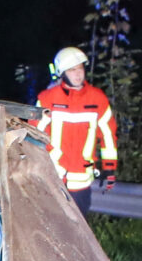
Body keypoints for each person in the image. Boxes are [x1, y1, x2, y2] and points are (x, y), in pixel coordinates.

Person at [34, 46, 119, 213]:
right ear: (62, 72)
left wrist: (109, 166)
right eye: (72, 70)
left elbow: (108, 136)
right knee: (54, 230)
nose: (78, 74)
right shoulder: (47, 99)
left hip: (81, 179)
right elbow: (34, 136)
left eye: (80, 68)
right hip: (53, 177)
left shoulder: (97, 99)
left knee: (79, 231)